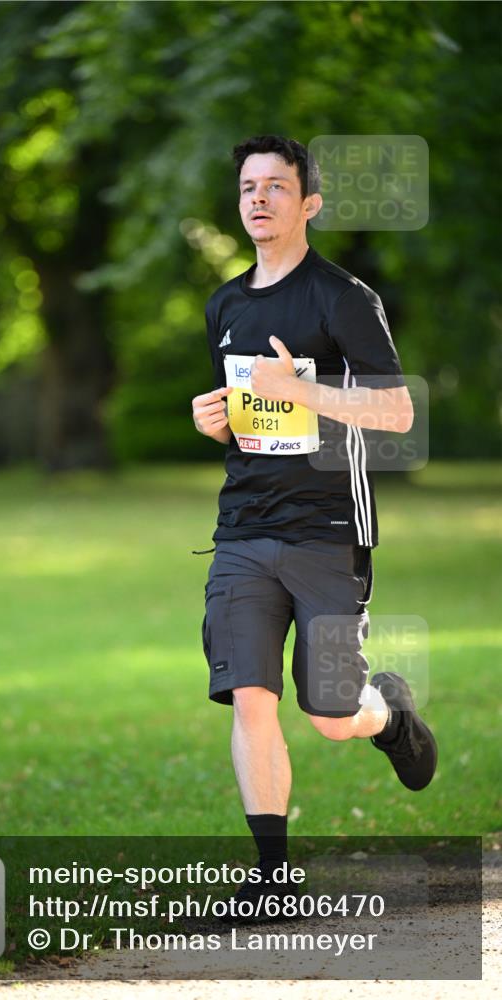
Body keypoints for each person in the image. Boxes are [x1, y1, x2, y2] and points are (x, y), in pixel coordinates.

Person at [191, 134, 437, 924]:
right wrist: (217, 422)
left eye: (275, 186)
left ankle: (389, 714)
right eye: (246, 187)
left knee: (330, 715)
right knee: (250, 696)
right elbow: (248, 414)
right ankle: (270, 880)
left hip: (329, 528)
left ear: (308, 203)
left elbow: (395, 412)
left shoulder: (342, 298)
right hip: (242, 531)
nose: (257, 198)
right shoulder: (225, 304)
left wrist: (303, 390)